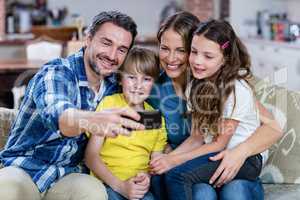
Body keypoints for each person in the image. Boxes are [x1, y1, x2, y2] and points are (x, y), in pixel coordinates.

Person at [0, 11, 144, 200]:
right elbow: (58, 115)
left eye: (121, 49)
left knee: (94, 192)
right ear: (88, 39)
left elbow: (148, 115)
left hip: (69, 175)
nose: (112, 55)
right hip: (24, 167)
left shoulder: (115, 86)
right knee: (8, 189)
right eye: (106, 43)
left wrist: (166, 150)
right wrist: (93, 119)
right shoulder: (57, 72)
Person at [148, 12, 282, 200]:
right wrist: (162, 156)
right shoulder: (152, 90)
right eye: (164, 48)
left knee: (229, 191)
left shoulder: (232, 88)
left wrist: (240, 152)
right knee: (168, 179)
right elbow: (153, 131)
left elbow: (272, 128)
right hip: (197, 157)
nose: (171, 58)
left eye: (181, 50)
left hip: (232, 156)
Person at [85, 47, 167, 200]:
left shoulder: (155, 118)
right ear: (120, 79)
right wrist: (120, 186)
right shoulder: (109, 105)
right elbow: (91, 156)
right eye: (132, 77)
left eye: (146, 79)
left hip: (138, 189)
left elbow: (155, 162)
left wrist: (146, 177)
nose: (138, 85)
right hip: (107, 184)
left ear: (153, 84)